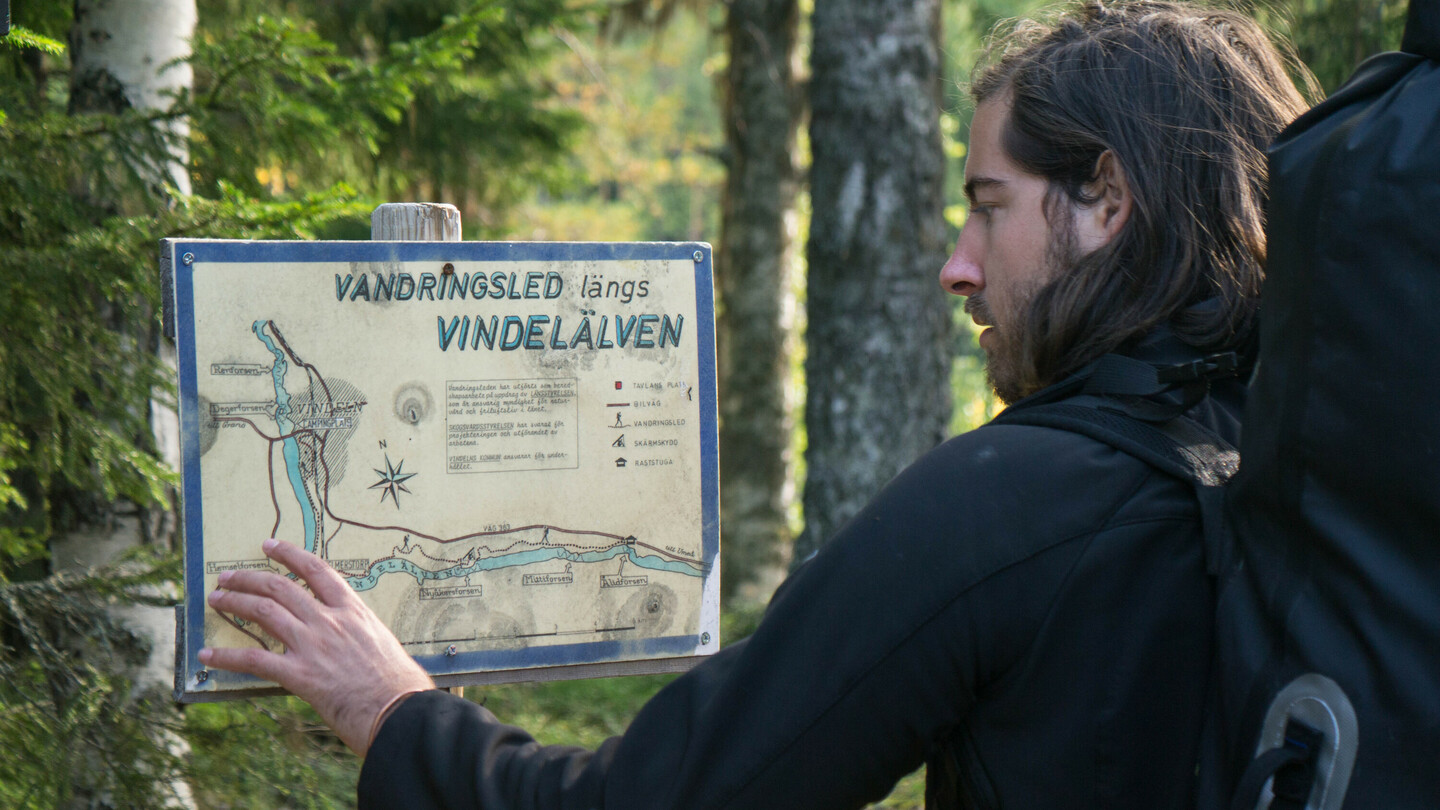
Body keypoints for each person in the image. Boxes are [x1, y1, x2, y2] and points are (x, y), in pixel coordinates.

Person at [200, 3, 1314, 807]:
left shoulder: (1018, 504)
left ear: (1106, 199)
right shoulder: (1289, 462)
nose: (958, 266)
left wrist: (394, 716)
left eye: (989, 207)